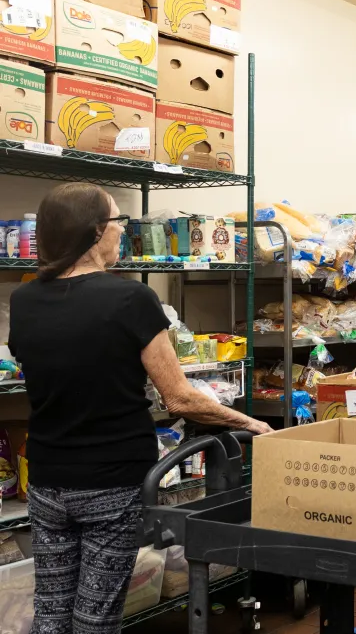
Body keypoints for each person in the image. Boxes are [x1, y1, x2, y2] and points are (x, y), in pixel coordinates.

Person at [8, 183, 274, 634]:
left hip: (47, 478)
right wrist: (250, 422)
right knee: (96, 616)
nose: (122, 231)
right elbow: (179, 398)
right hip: (111, 480)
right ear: (96, 231)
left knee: (51, 610)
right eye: (119, 221)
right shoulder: (131, 299)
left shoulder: (25, 299)